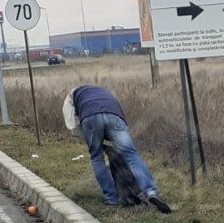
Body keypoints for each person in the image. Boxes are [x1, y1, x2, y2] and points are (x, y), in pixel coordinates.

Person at [62, 85, 171, 213]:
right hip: (115, 116)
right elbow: (116, 114)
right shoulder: (103, 92)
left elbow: (72, 126)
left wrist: (94, 143)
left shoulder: (70, 98)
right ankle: (151, 192)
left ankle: (111, 198)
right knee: (131, 155)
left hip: (90, 117)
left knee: (96, 157)